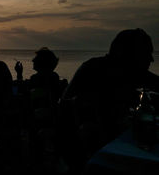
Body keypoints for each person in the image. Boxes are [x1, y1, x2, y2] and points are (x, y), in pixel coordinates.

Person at [60, 28, 158, 172]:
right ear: (126, 54)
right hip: (92, 158)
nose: (151, 59)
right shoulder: (95, 72)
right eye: (146, 53)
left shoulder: (133, 73)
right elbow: (69, 116)